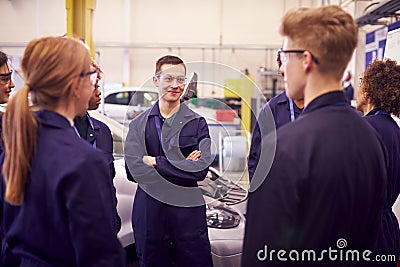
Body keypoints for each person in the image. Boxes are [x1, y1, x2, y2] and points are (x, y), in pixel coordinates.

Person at [242, 5, 387, 266]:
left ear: (305, 59)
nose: (283, 68)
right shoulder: (372, 138)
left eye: (285, 56)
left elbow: (261, 254)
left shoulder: (285, 147)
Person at [0, 36, 125, 266]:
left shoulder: (17, 146)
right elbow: (100, 256)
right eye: (91, 75)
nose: (94, 83)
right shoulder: (83, 160)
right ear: (75, 86)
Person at [124, 55, 213, 267]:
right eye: (168, 78)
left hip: (188, 215)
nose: (175, 85)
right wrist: (183, 165)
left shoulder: (197, 124)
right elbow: (133, 170)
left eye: (180, 80)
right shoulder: (139, 125)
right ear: (156, 80)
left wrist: (156, 161)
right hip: (150, 214)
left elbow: (200, 170)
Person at [356, 59, 400, 266]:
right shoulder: (395, 131)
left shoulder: (361, 128)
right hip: (389, 233)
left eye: (361, 81)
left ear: (369, 89)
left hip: (363, 234)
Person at [73, 60, 121, 232]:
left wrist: (113, 221)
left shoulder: (102, 132)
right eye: (94, 87)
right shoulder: (49, 134)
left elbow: (109, 182)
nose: (99, 92)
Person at [248, 50, 304, 180]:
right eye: (283, 74)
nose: (287, 78)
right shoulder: (272, 110)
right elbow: (256, 157)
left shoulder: (320, 109)